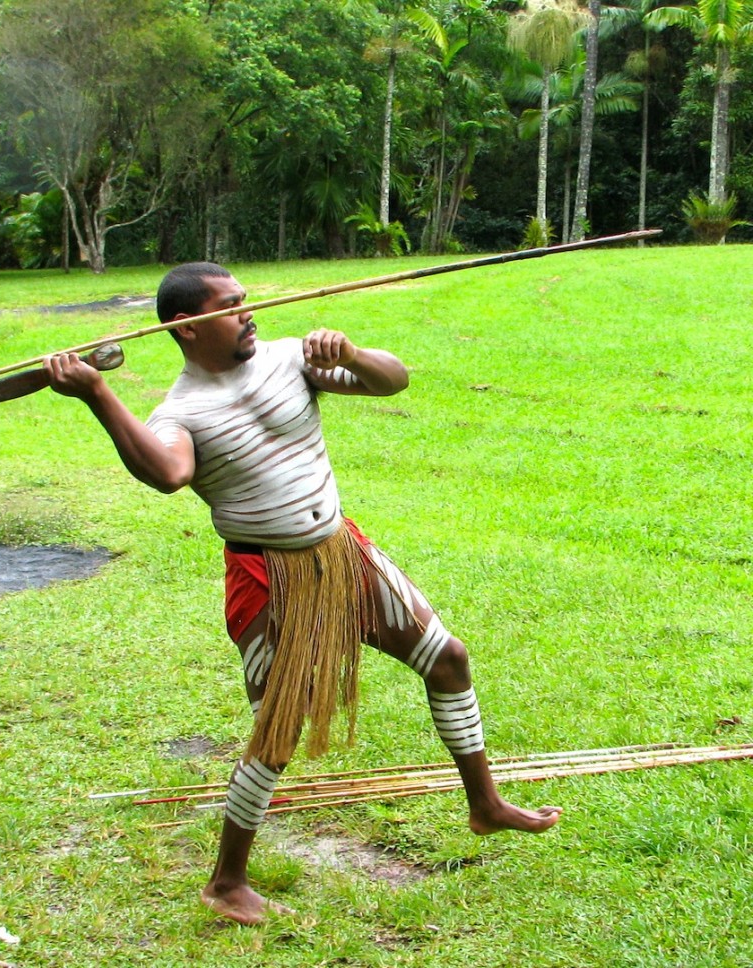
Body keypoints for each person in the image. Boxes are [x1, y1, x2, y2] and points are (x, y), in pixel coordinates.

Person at [44, 261, 562, 926]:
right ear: (186, 326)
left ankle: (484, 804)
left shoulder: (292, 359)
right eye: (231, 306)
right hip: (271, 582)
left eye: (245, 300)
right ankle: (226, 882)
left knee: (449, 660)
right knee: (276, 736)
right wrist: (96, 393)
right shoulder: (180, 412)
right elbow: (168, 473)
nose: (248, 312)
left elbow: (392, 380)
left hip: (343, 555)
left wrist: (351, 353)